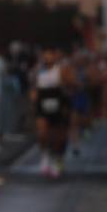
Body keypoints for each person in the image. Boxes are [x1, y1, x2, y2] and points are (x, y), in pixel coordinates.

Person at [31, 46, 74, 178]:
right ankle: (45, 155)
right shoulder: (38, 70)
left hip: (58, 101)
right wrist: (33, 99)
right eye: (45, 55)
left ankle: (57, 159)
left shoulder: (62, 69)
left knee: (58, 136)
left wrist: (65, 83)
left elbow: (72, 85)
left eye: (50, 55)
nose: (47, 58)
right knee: (42, 133)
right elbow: (33, 87)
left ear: (55, 56)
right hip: (43, 102)